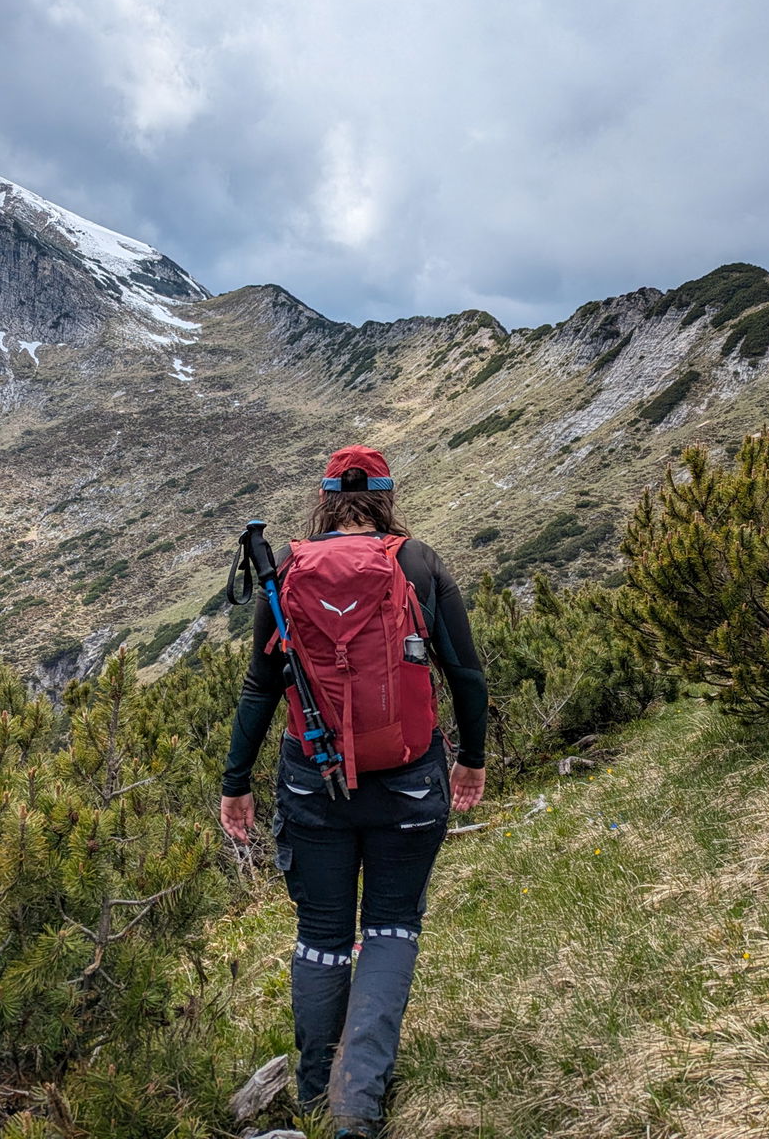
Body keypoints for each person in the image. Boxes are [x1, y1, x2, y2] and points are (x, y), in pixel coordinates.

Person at [221, 445, 488, 1138]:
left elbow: (260, 686)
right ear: (386, 498)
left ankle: (315, 1097)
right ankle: (355, 1108)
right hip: (408, 779)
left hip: (312, 781)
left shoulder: (285, 570)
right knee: (391, 927)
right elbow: (465, 673)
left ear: (325, 500)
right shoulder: (419, 563)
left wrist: (235, 783)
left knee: (321, 937)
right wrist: (473, 759)